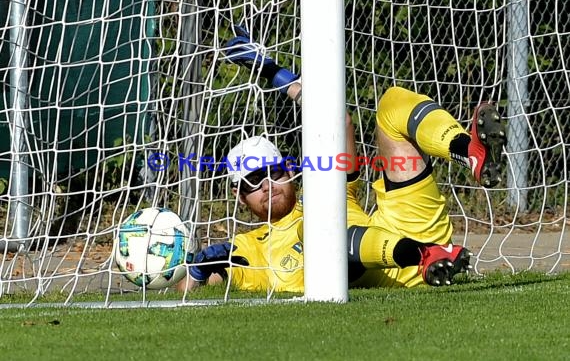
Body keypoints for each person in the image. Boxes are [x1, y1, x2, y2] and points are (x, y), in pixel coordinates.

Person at [177, 26, 507, 293]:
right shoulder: (247, 247)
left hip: (409, 226)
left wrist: (271, 71)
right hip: (416, 260)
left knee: (392, 102)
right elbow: (196, 289)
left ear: (290, 171)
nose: (267, 184)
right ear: (239, 194)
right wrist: (199, 269)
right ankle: (423, 256)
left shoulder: (327, 188)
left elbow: (338, 122)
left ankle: (468, 151)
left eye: (273, 171)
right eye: (252, 180)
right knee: (316, 228)